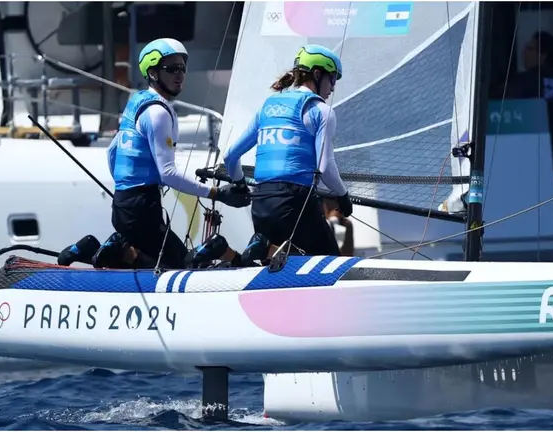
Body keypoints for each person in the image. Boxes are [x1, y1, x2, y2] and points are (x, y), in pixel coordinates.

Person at [58, 38, 250, 270]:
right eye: (172, 69)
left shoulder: (137, 101)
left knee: (135, 267)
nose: (180, 75)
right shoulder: (158, 113)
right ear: (153, 73)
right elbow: (168, 173)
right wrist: (217, 194)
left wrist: (126, 185)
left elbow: (113, 151)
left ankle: (90, 249)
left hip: (123, 202)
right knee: (178, 268)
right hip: (143, 207)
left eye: (182, 68)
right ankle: (212, 247)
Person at [223, 44, 352, 261]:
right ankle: (265, 247)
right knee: (329, 263)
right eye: (332, 79)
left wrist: (240, 185)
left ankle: (261, 248)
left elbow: (230, 156)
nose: (333, 87)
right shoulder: (321, 111)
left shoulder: (267, 107)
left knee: (286, 265)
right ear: (317, 74)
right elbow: (325, 167)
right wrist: (343, 196)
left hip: (261, 201)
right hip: (295, 202)